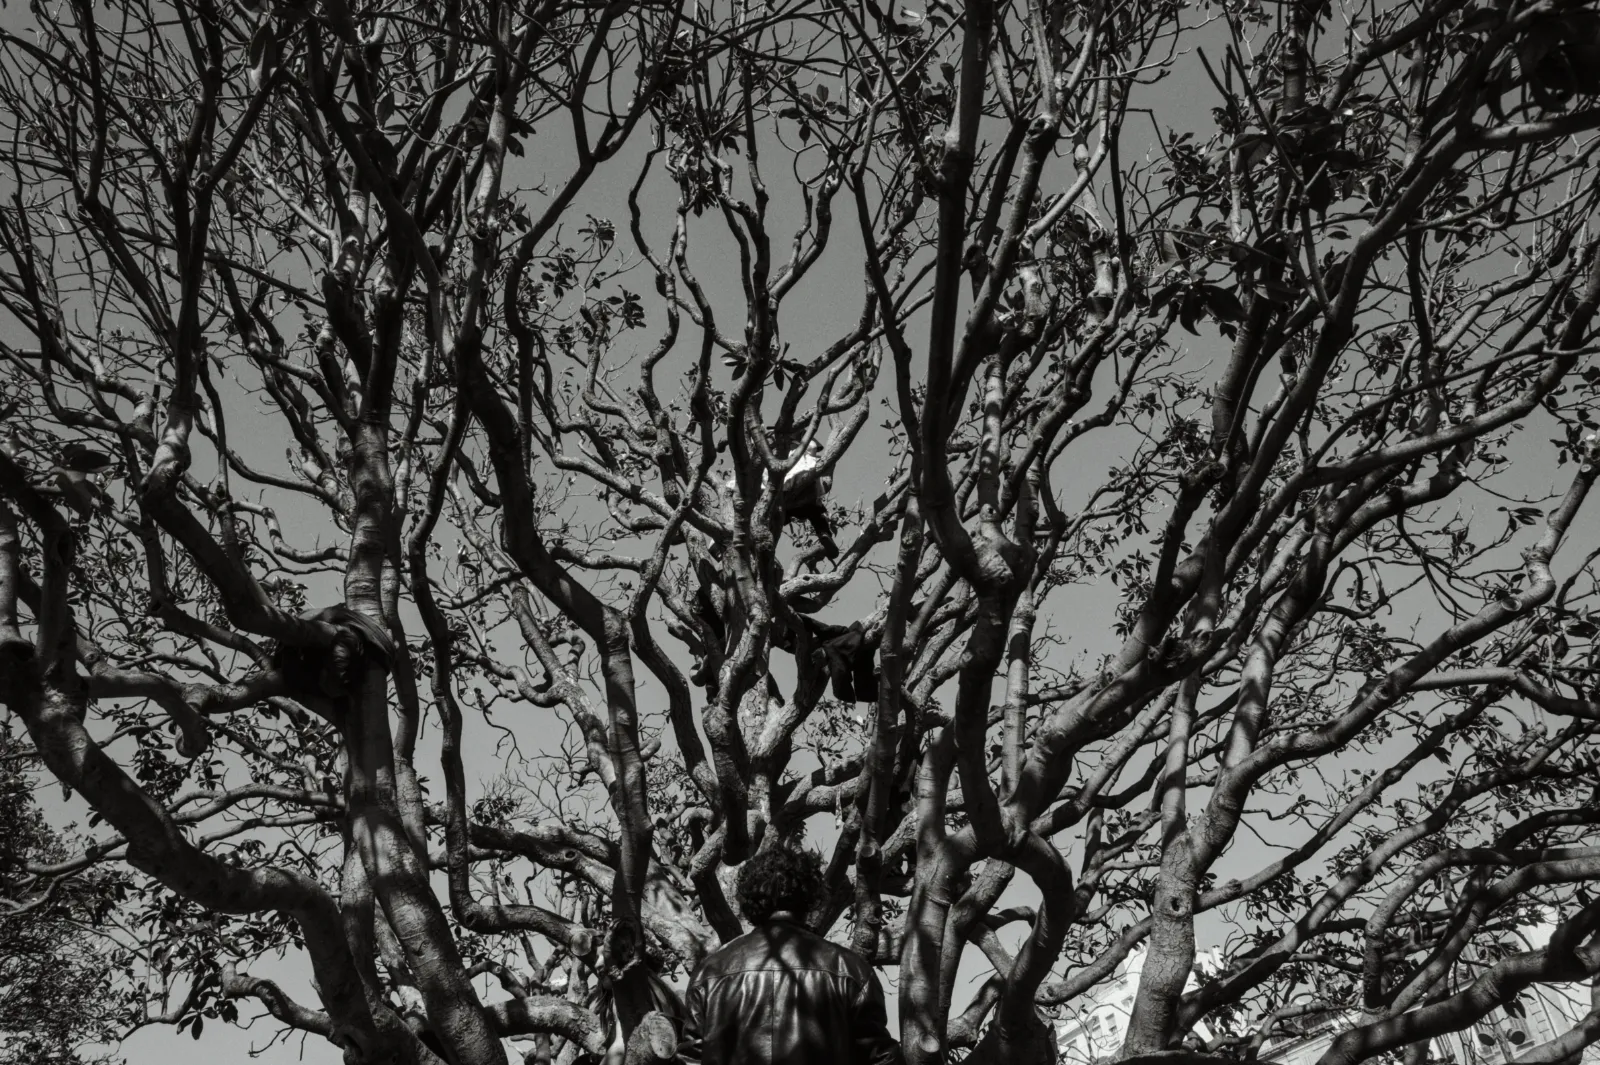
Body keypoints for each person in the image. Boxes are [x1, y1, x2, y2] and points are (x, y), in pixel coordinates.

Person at [680, 847, 903, 1065]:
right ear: (810, 896)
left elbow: (691, 1059)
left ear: (748, 900)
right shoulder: (851, 970)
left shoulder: (709, 972)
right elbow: (880, 1057)